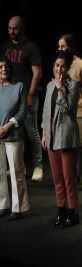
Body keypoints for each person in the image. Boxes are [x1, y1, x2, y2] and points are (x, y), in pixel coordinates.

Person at [41, 52, 81, 228]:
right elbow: (45, 111)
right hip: (50, 135)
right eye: (56, 65)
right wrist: (43, 132)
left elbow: (68, 109)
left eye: (62, 66)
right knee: (57, 178)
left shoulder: (72, 86)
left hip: (65, 136)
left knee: (68, 178)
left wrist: (60, 88)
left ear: (67, 68)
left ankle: (72, 212)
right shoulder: (49, 85)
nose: (59, 69)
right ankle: (61, 211)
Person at [2, 16, 43, 182]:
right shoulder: (5, 46)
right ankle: (19, 166)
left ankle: (38, 165)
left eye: (15, 28)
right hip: (10, 95)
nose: (12, 31)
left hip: (26, 94)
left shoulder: (31, 47)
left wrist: (31, 95)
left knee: (31, 131)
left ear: (22, 28)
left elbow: (37, 73)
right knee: (15, 133)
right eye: (10, 28)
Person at [57, 33, 82, 192]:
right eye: (58, 46)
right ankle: (73, 176)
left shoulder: (81, 66)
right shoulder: (59, 64)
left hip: (80, 110)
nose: (60, 49)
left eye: (63, 46)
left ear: (70, 47)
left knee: (79, 143)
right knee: (66, 144)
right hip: (63, 109)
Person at [0, 59, 29, 220]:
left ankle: (18, 208)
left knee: (16, 172)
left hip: (13, 135)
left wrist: (7, 126)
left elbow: (23, 111)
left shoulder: (18, 87)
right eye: (0, 67)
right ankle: (2, 204)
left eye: (6, 66)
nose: (3, 69)